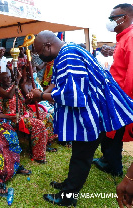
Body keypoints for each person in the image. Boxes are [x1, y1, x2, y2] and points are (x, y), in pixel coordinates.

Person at [30, 30, 133, 206]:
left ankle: (67, 197)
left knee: (81, 157)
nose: (40, 56)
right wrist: (41, 93)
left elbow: (73, 95)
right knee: (78, 153)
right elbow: (56, 81)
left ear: (48, 46)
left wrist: (41, 96)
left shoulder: (69, 55)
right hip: (89, 114)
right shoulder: (67, 51)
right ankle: (68, 184)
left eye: (40, 52)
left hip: (91, 116)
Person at [93, 3, 133, 177]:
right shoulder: (123, 38)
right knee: (110, 131)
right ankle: (108, 160)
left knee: (115, 132)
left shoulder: (131, 37)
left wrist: (124, 101)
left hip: (121, 97)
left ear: (124, 17)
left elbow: (131, 75)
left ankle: (114, 166)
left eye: (112, 18)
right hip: (114, 95)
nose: (109, 22)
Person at [0, 72, 56, 163]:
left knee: (47, 116)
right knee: (38, 124)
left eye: (9, 77)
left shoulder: (15, 88)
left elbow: (24, 103)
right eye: (6, 78)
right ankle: (38, 155)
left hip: (24, 112)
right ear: (0, 80)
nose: (9, 79)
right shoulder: (0, 89)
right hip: (12, 117)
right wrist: (16, 83)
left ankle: (45, 144)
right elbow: (9, 96)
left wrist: (30, 98)